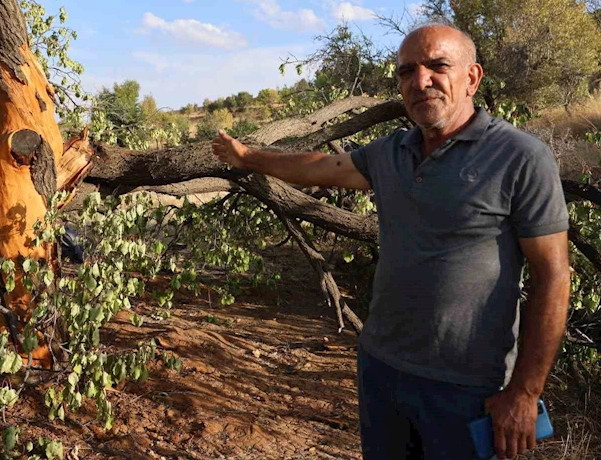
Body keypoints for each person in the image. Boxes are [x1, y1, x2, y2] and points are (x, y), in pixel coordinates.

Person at [211, 23, 571, 460]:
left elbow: (553, 275)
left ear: (472, 78)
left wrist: (525, 392)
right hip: (382, 369)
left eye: (438, 66)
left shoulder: (520, 157)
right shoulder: (391, 152)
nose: (421, 81)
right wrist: (249, 157)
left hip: (469, 388)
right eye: (407, 71)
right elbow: (323, 166)